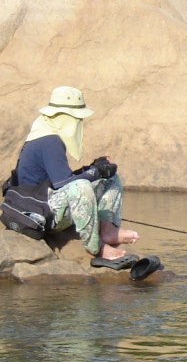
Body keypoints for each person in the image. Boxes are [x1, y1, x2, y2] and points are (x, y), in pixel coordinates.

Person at [14, 86, 139, 261]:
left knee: (109, 178)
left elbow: (60, 178)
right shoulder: (49, 140)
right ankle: (96, 248)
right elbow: (65, 184)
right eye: (77, 119)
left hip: (47, 201)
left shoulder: (46, 132)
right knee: (82, 186)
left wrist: (95, 169)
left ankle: (108, 229)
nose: (79, 123)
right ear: (64, 117)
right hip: (40, 213)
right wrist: (95, 172)